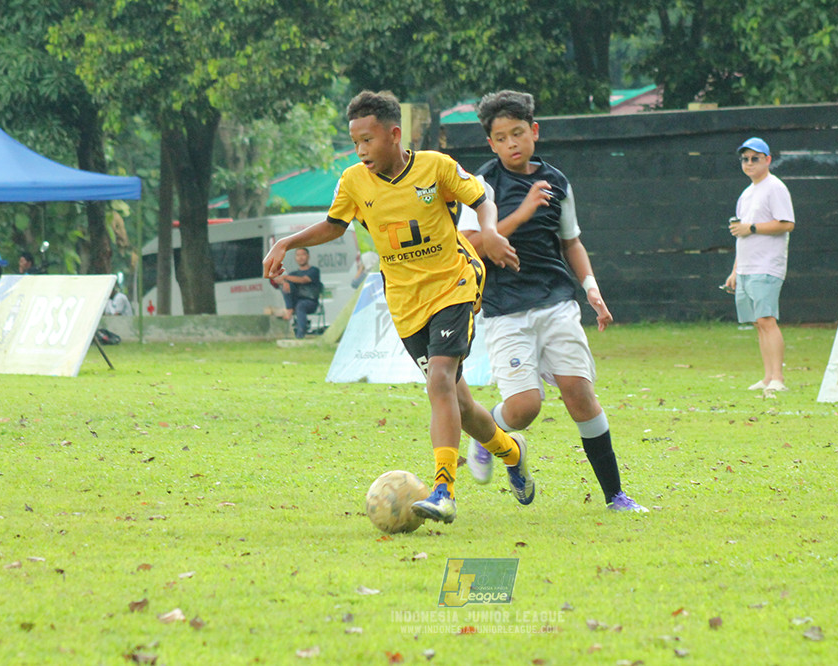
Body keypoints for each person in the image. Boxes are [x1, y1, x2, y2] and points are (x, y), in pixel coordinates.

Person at [263, 90, 533, 525]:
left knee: (440, 382)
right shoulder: (354, 181)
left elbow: (480, 197)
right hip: (405, 303)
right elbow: (334, 225)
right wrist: (287, 240)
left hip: (454, 286)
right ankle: (511, 450)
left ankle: (443, 489)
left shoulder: (435, 168)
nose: (361, 150)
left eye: (367, 140)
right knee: (459, 406)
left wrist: (490, 231)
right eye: (355, 142)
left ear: (393, 134)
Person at [458, 90, 646, 513]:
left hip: (557, 302)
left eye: (518, 133)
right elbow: (472, 246)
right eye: (501, 137)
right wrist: (521, 213)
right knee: (526, 408)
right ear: (490, 143)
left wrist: (591, 286)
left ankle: (615, 496)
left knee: (580, 394)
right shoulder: (481, 187)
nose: (511, 143)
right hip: (506, 308)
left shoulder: (557, 182)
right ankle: (488, 435)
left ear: (534, 132)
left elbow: (571, 241)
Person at [722, 137, 795, 393]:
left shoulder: (775, 188)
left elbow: (787, 223)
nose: (750, 163)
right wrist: (734, 271)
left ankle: (778, 378)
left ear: (768, 160)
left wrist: (751, 227)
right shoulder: (746, 194)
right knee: (758, 322)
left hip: (767, 265)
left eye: (755, 158)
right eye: (745, 159)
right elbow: (741, 234)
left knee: (767, 319)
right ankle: (767, 377)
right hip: (746, 268)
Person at [272, 247, 322, 338]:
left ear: (308, 256)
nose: (300, 257)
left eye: (303, 254)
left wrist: (285, 278)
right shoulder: (293, 273)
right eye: (298, 255)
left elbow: (304, 280)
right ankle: (289, 308)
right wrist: (284, 282)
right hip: (295, 301)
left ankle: (300, 336)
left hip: (310, 301)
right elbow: (277, 281)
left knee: (300, 306)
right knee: (286, 285)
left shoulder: (314, 271)